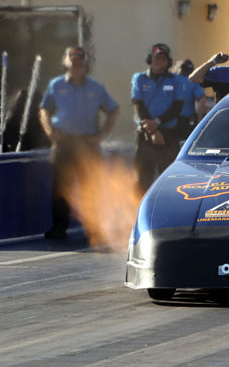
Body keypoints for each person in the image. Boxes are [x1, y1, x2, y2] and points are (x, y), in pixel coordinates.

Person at [39, 46, 119, 239]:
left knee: (90, 186)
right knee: (60, 187)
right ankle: (59, 227)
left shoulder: (96, 87)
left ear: (85, 67)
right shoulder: (56, 85)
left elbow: (113, 109)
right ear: (66, 64)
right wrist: (50, 131)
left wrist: (102, 134)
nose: (76, 68)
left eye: (80, 65)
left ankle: (94, 229)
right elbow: (44, 110)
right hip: (64, 142)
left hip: (87, 143)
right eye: (73, 64)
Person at [131, 43, 184, 193]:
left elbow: (177, 108)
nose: (159, 63)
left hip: (168, 135)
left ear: (168, 62)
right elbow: (139, 106)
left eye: (163, 60)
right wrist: (154, 132)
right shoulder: (139, 78)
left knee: (169, 180)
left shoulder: (176, 80)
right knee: (142, 179)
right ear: (150, 60)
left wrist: (158, 123)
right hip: (146, 135)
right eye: (156, 59)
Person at [173, 59, 206, 143]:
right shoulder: (193, 81)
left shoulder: (170, 80)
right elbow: (201, 100)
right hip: (187, 122)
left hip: (169, 121)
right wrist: (199, 121)